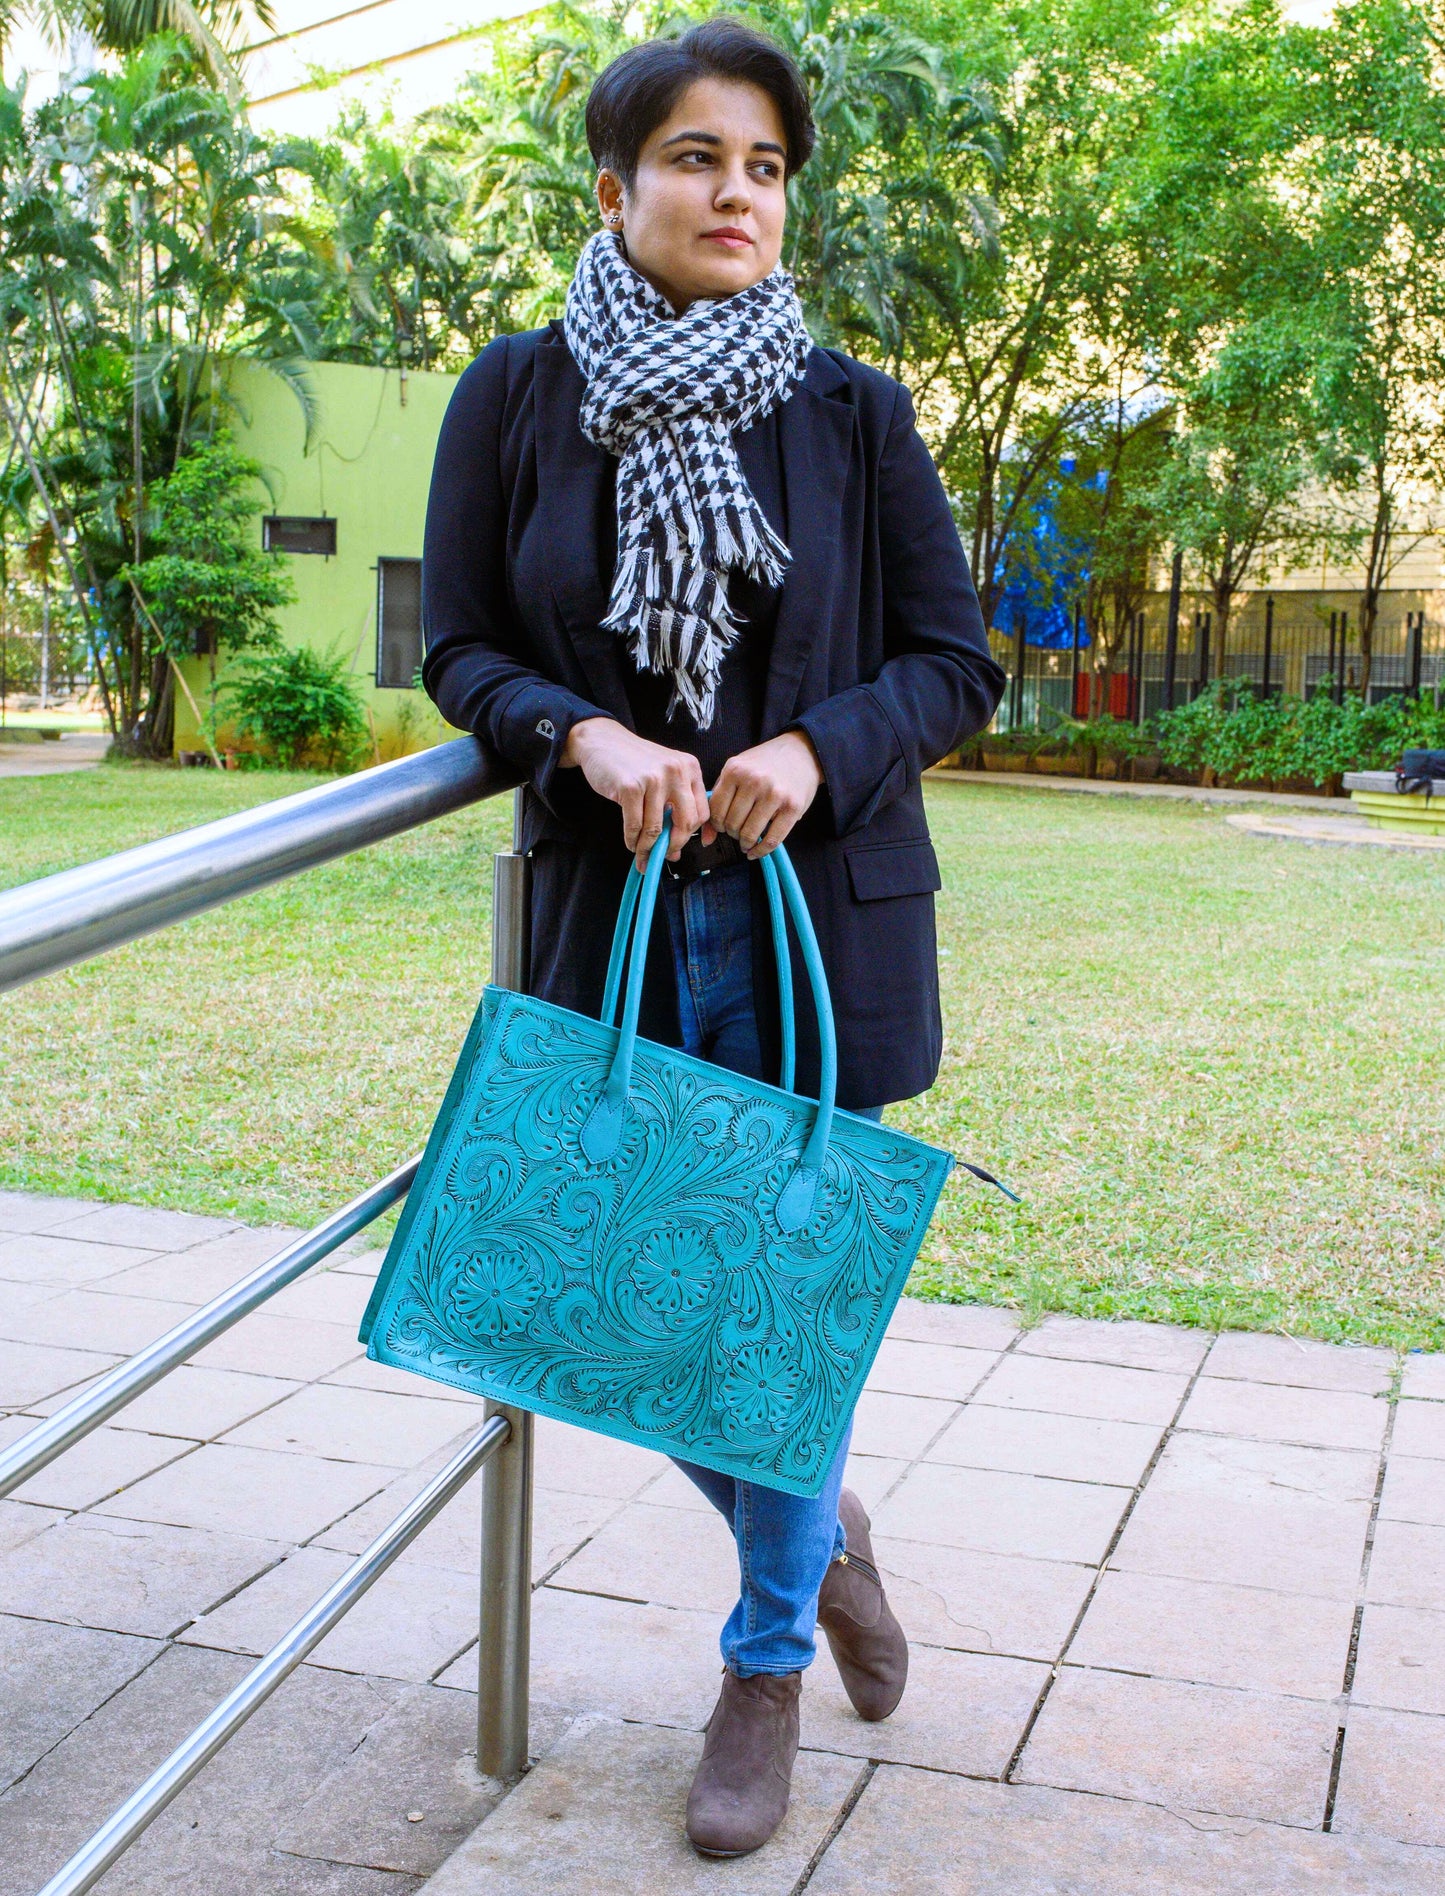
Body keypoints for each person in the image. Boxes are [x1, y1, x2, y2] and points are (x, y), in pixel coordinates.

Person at [421, 16, 1005, 1858]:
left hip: (811, 932)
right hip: (615, 927)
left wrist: (812, 750)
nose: (731, 191)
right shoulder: (516, 397)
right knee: (601, 1303)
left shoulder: (852, 412)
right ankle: (822, 1532)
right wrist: (570, 731)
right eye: (693, 156)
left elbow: (951, 665)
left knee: (768, 1309)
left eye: (761, 165)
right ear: (617, 186)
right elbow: (455, 644)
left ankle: (759, 1670)